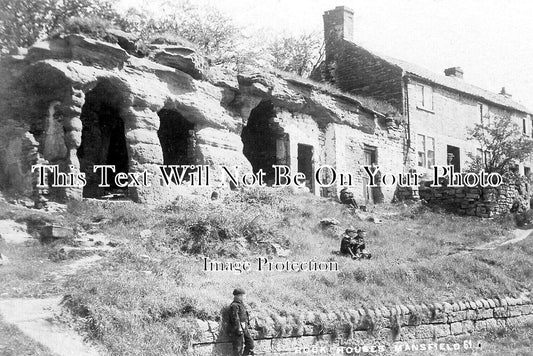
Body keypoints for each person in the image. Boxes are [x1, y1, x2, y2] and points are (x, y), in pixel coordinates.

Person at [229, 288, 254, 356]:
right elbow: (235, 317)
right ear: (238, 296)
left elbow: (244, 315)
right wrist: (239, 328)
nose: (245, 297)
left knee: (250, 343)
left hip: (244, 327)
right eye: (243, 295)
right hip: (237, 328)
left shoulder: (241, 304)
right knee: (238, 347)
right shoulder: (234, 305)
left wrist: (247, 325)